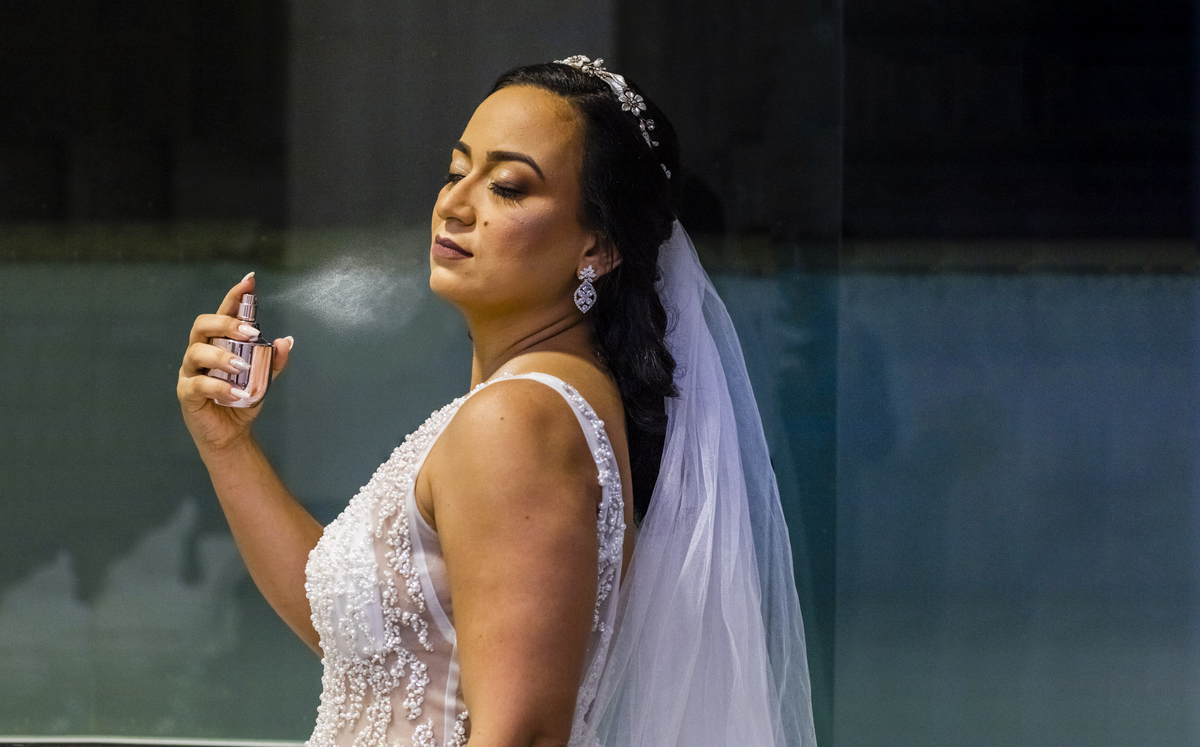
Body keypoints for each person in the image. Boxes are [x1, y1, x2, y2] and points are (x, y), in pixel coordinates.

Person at [177, 56, 816, 747]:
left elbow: (524, 734)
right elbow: (373, 646)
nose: (455, 204)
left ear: (598, 247)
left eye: (508, 187)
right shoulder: (535, 408)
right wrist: (227, 446)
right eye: (456, 172)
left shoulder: (516, 423)